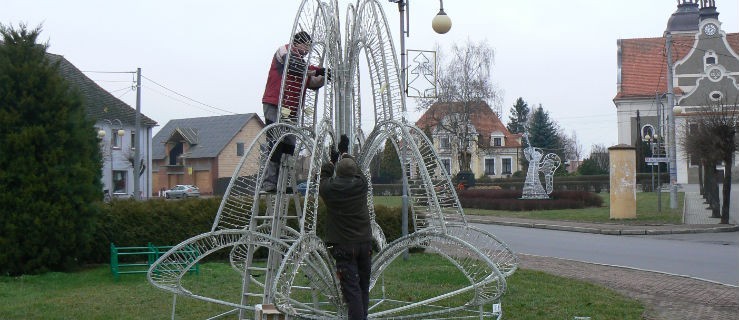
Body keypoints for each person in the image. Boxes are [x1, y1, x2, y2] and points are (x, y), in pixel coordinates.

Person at [261, 31, 327, 192]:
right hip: (275, 103)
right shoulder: (284, 51)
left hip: (291, 109)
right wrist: (318, 70)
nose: (307, 50)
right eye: (306, 46)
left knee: (289, 144)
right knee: (275, 142)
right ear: (298, 43)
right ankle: (270, 183)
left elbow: (312, 81)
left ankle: (284, 182)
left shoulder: (303, 67)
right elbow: (296, 66)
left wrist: (325, 76)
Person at [319, 139, 373, 320]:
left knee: (352, 291)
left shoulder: (330, 190)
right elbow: (357, 169)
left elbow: (323, 177)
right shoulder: (361, 185)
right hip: (365, 244)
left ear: (338, 173)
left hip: (343, 247)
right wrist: (345, 153)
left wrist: (332, 162)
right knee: (363, 287)